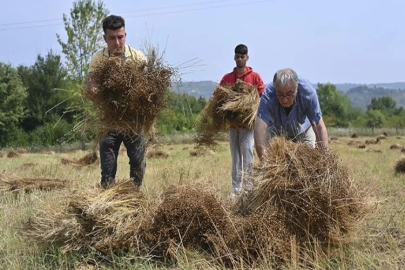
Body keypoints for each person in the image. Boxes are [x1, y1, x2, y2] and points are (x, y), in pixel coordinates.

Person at [86, 15, 147, 188]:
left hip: (133, 120)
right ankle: (107, 196)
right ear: (105, 38)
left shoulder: (137, 57)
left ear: (125, 35)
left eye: (120, 37)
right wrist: (108, 99)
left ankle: (134, 194)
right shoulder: (98, 59)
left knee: (137, 160)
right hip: (109, 119)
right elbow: (91, 88)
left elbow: (148, 89)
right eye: (112, 38)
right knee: (108, 163)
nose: (117, 42)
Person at [216, 44, 265, 195]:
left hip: (248, 126)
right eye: (237, 56)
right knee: (236, 157)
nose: (239, 59)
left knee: (247, 155)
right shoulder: (228, 78)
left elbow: (262, 95)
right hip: (233, 126)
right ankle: (236, 189)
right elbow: (217, 94)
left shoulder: (254, 77)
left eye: (242, 57)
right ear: (234, 57)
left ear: (247, 58)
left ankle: (249, 189)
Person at [254, 68, 329, 160]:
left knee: (307, 165)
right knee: (276, 165)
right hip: (277, 132)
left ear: (296, 89)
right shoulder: (268, 95)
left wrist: (325, 160)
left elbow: (320, 127)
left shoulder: (308, 94)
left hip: (303, 131)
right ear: (275, 89)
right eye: (280, 94)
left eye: (289, 94)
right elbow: (259, 130)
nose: (285, 100)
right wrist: (264, 162)